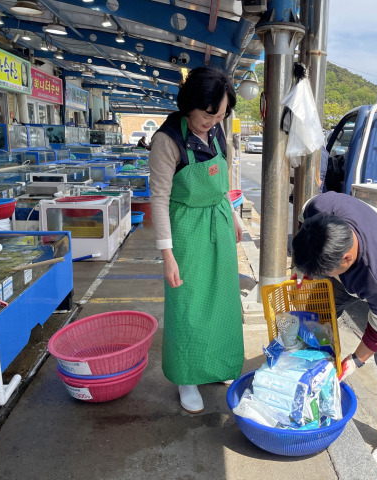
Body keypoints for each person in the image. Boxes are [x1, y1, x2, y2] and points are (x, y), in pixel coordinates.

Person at [292, 192, 377, 469]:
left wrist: (355, 360)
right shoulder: (319, 208)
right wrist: (304, 270)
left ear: (345, 259)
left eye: (324, 271)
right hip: (350, 270)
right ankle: (315, 379)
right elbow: (306, 226)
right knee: (314, 319)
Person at [149, 66, 244, 414]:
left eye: (220, 115)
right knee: (187, 305)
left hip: (218, 221)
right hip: (186, 229)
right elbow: (159, 198)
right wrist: (167, 254)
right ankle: (187, 375)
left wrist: (233, 212)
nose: (213, 121)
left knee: (221, 302)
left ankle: (215, 364)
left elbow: (224, 179)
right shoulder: (166, 140)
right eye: (209, 113)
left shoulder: (218, 131)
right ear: (190, 104)